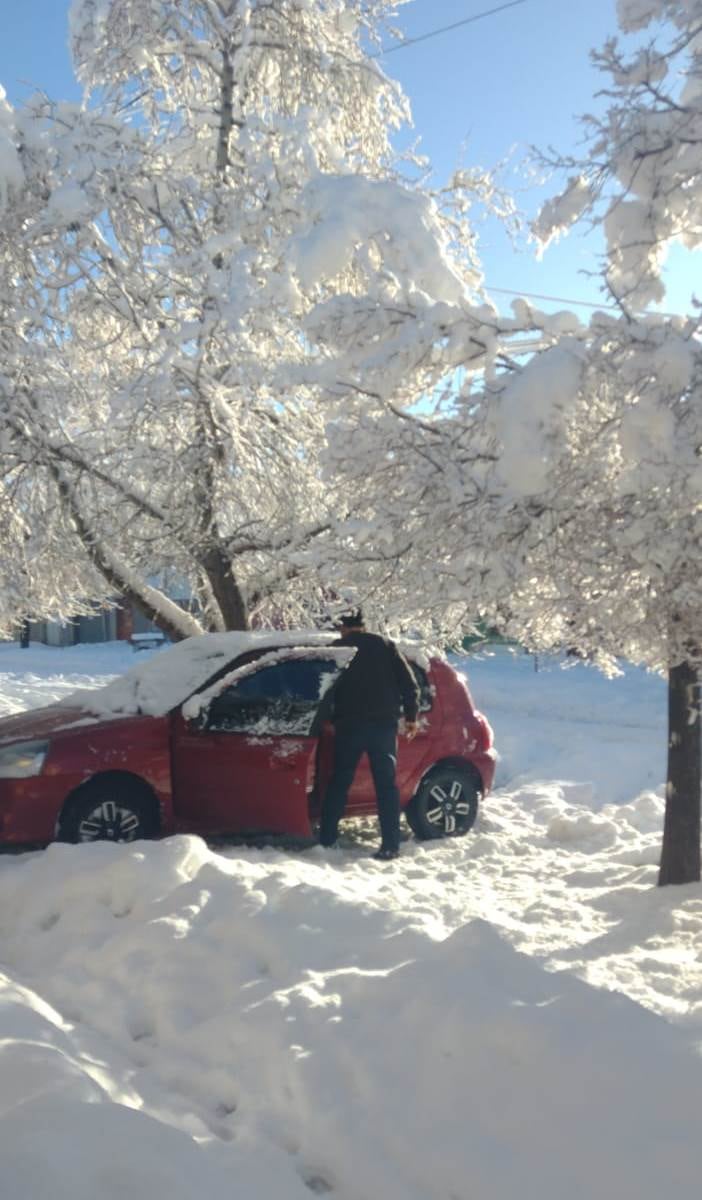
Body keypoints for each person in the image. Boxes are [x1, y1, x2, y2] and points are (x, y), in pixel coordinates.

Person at [318, 610, 420, 860]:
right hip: (383, 727)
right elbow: (409, 684)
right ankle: (390, 845)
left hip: (349, 726)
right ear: (363, 626)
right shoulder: (385, 646)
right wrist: (411, 717)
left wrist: (324, 720)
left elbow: (325, 689)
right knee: (386, 786)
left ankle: (327, 839)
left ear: (343, 627)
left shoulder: (338, 649)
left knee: (340, 781)